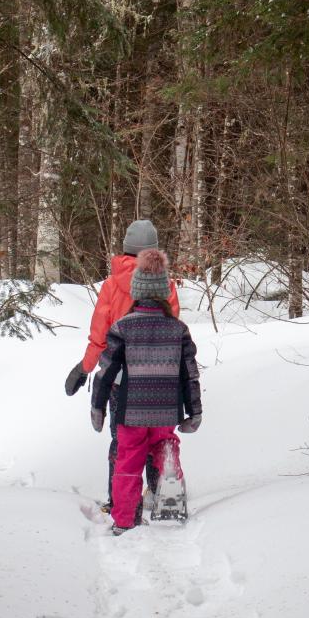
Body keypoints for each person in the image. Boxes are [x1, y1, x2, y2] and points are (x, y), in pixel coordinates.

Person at [64, 219, 180, 513]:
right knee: (159, 437)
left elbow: (100, 336)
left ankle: (119, 501)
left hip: (120, 383)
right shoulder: (166, 285)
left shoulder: (111, 285)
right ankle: (158, 492)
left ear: (125, 248)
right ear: (154, 250)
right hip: (159, 380)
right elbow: (173, 331)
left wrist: (85, 367)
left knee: (123, 439)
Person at [90, 248, 202, 535]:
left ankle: (125, 521)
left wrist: (98, 406)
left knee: (128, 459)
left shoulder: (122, 327)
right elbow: (189, 374)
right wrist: (194, 411)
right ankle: (171, 508)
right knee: (166, 450)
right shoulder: (178, 329)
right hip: (166, 410)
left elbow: (106, 372)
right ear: (165, 293)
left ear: (137, 292)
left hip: (131, 410)